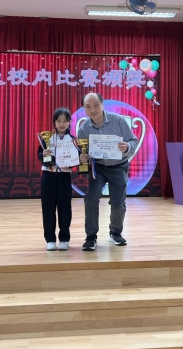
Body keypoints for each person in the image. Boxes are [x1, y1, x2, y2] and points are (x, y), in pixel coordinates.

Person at [78, 92, 138, 251]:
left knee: (118, 201)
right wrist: (82, 157)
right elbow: (82, 151)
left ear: (102, 104)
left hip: (118, 165)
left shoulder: (118, 121)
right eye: (88, 106)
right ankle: (91, 236)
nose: (92, 110)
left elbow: (133, 140)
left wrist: (127, 147)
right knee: (91, 199)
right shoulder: (84, 128)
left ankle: (115, 232)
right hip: (97, 167)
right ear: (84, 109)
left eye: (96, 105)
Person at [37, 107, 76, 251]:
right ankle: (50, 239)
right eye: (59, 121)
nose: (62, 124)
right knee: (48, 209)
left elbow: (76, 159)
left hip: (64, 177)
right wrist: (43, 155)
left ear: (69, 122)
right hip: (48, 177)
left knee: (65, 209)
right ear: (54, 122)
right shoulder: (46, 138)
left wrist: (76, 161)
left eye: (65, 121)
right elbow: (39, 155)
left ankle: (64, 238)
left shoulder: (73, 140)